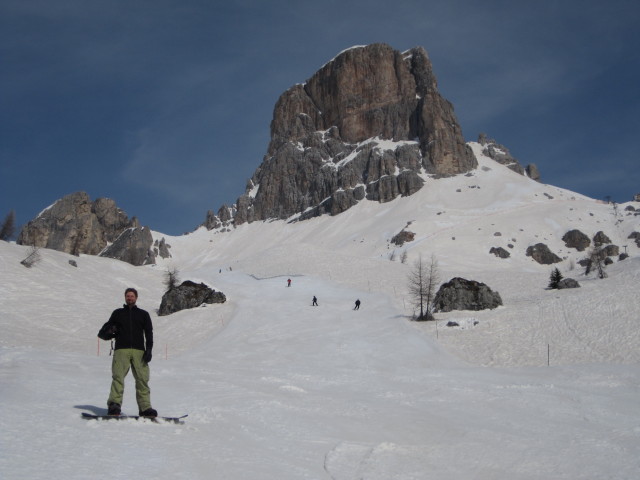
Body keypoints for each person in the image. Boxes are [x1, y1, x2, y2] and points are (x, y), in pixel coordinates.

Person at [98, 287, 156, 417]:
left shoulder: (143, 314)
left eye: (132, 296)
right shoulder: (118, 313)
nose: (130, 298)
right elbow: (103, 333)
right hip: (121, 350)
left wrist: (149, 350)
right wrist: (110, 330)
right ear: (125, 297)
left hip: (139, 351)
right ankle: (114, 405)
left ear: (136, 298)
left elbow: (149, 333)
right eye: (128, 296)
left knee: (142, 379)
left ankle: (145, 408)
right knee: (118, 377)